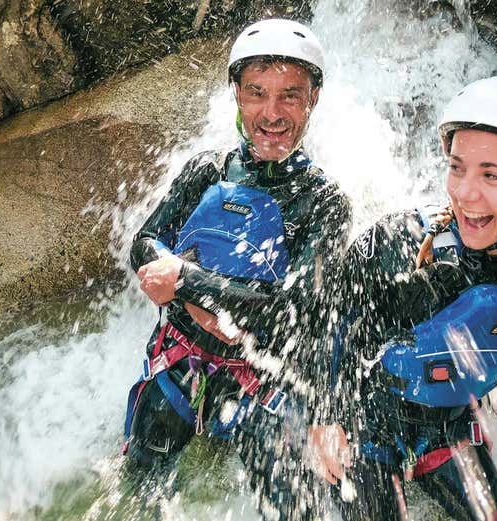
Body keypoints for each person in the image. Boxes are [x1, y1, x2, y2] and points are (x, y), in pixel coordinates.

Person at [307, 76, 497, 520]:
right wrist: (326, 415)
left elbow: (492, 324)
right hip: (371, 424)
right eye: (457, 166)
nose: (466, 193)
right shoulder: (397, 241)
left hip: (448, 426)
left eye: (491, 175)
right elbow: (329, 314)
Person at [122, 17, 352, 517]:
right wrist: (192, 300)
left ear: (313, 98)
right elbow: (144, 244)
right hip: (180, 361)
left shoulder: (325, 202)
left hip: (263, 381)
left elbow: (295, 307)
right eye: (257, 93)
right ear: (237, 96)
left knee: (290, 505)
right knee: (137, 487)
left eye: (290, 95)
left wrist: (186, 282)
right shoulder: (208, 169)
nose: (272, 113)